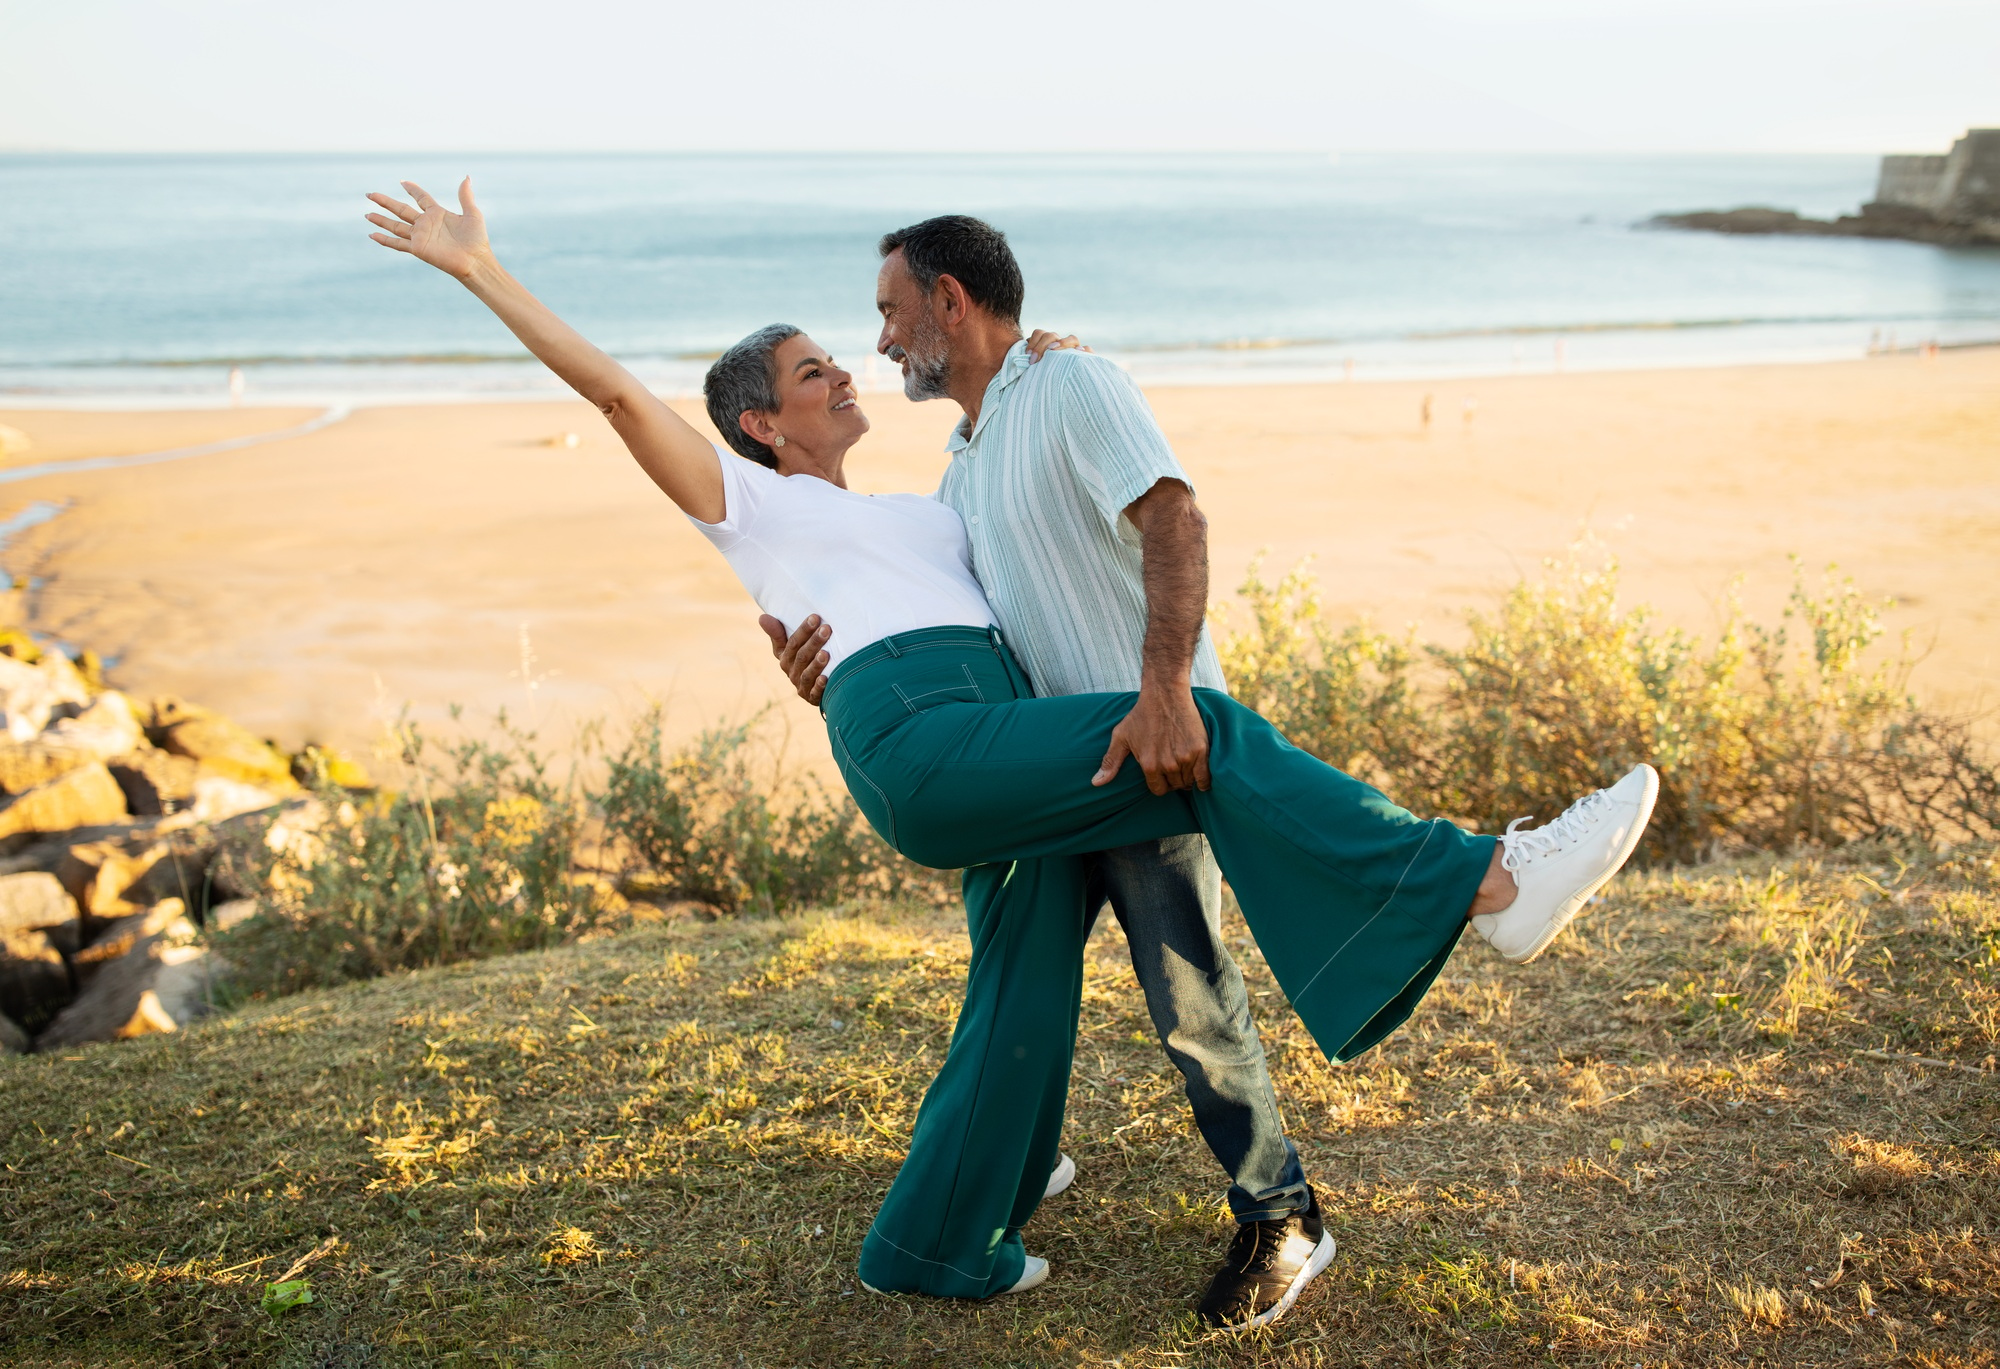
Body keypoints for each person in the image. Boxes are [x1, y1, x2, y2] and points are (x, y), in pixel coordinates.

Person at [364, 181, 1660, 1324]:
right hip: (945, 745)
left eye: (870, 328)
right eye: (819, 368)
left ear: (948, 298)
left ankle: (962, 1223)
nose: (857, 361)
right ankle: (1488, 880)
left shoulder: (944, 498)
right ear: (760, 425)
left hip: (1023, 746)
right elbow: (608, 392)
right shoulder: (746, 504)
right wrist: (478, 268)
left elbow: (1078, 526)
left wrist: (1056, 368)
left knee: (1077, 980)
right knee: (1215, 740)